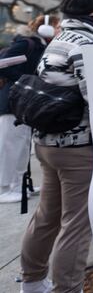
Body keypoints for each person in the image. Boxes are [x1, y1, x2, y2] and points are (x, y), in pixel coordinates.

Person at [19, 0, 93, 293]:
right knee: (77, 225)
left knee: (47, 217)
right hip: (79, 147)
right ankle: (67, 288)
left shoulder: (62, 39)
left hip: (48, 144)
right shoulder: (91, 43)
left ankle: (32, 281)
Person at [0, 16, 58, 204]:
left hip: (24, 102)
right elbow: (3, 64)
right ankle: (4, 188)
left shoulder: (40, 45)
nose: (58, 29)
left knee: (22, 146)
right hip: (13, 101)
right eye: (56, 26)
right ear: (46, 28)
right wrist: (25, 81)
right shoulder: (27, 43)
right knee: (10, 146)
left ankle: (19, 185)